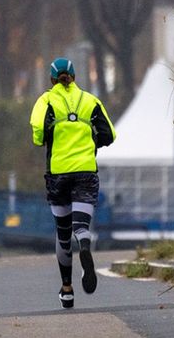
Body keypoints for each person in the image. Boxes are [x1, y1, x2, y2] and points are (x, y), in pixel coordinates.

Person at [29, 57, 116, 308]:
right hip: (86, 171)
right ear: (75, 77)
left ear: (52, 79)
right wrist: (90, 143)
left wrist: (51, 136)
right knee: (81, 226)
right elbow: (109, 134)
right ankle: (85, 244)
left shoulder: (45, 101)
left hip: (57, 173)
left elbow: (37, 133)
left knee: (63, 233)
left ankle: (67, 290)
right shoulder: (91, 101)